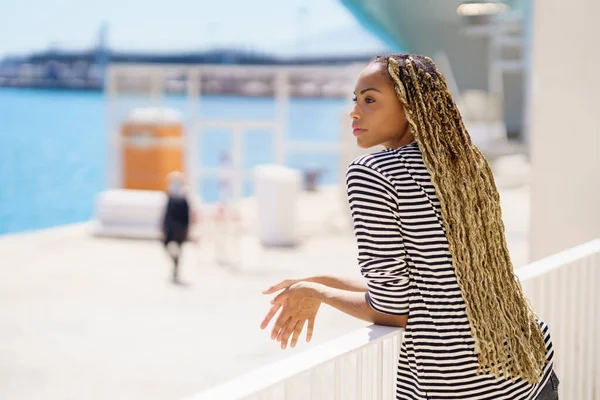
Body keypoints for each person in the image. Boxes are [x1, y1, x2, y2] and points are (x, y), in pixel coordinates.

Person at [260, 53, 558, 400]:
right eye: (355, 100)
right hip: (529, 366)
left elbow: (393, 310)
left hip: (459, 386)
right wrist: (321, 281)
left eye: (370, 100)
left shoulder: (372, 174)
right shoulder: (464, 164)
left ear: (410, 106)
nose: (355, 112)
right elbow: (431, 286)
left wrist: (320, 296)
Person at [162, 171, 190, 284]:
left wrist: (186, 229)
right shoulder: (170, 196)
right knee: (167, 247)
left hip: (180, 228)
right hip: (170, 228)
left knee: (178, 250)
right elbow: (166, 214)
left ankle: (175, 270)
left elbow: (186, 215)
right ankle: (174, 265)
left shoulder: (183, 198)